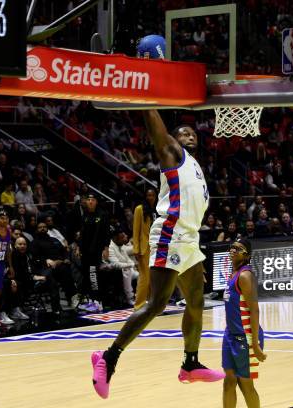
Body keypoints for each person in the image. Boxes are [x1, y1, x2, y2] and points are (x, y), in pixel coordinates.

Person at [91, 111, 224, 399]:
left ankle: (190, 364)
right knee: (156, 303)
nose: (191, 135)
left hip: (189, 238)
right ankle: (108, 358)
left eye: (193, 133)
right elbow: (157, 132)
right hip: (171, 233)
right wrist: (148, 99)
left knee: (197, 302)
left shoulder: (195, 165)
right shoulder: (173, 154)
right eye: (184, 132)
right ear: (173, 140)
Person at [222, 239, 266, 408]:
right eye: (232, 247)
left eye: (238, 248)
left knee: (245, 385)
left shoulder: (245, 276)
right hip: (230, 335)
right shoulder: (232, 274)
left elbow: (254, 311)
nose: (233, 250)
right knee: (229, 381)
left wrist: (254, 344)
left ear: (247, 255)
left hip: (245, 337)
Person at [132, 188, 158, 310]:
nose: (150, 197)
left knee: (154, 277)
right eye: (148, 195)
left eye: (152, 195)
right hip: (145, 248)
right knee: (145, 276)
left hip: (157, 247)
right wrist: (136, 249)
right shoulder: (139, 209)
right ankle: (139, 304)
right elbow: (136, 231)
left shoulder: (158, 210)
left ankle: (151, 302)